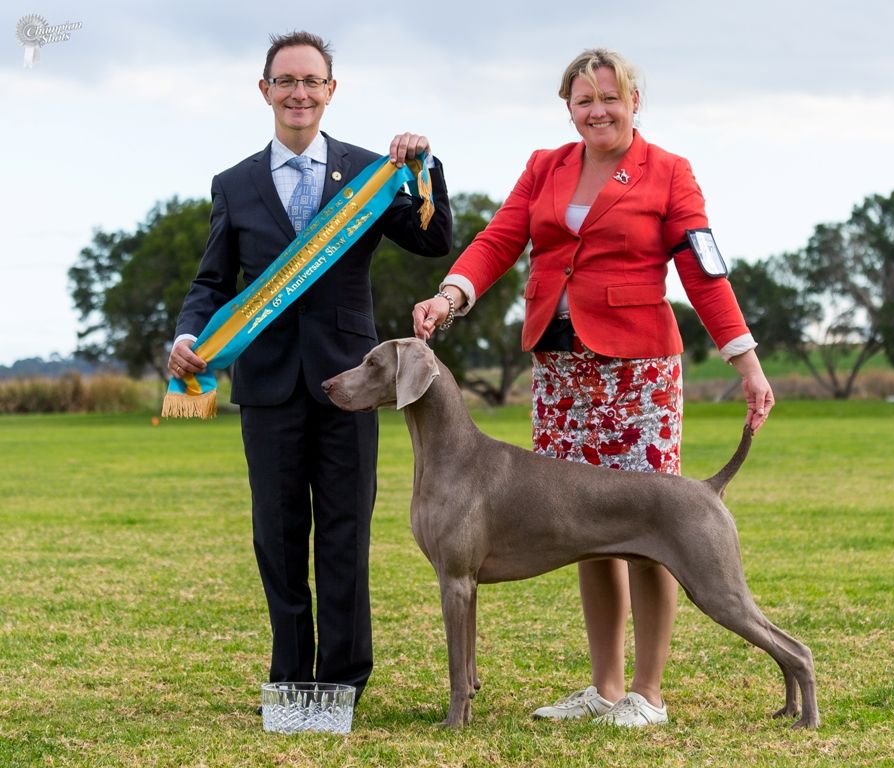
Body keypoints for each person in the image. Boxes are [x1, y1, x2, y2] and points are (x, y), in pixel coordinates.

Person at [412, 48, 773, 728]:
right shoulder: (545, 166)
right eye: (583, 100)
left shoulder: (669, 171)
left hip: (638, 373)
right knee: (583, 524)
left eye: (610, 97)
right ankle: (605, 688)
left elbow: (703, 273)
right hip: (561, 373)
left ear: (635, 101)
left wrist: (745, 361)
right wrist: (449, 296)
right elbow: (498, 240)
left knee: (652, 522)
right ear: (568, 107)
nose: (597, 110)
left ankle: (648, 694)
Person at [168, 31, 452, 703]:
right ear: (264, 90)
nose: (299, 92)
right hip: (267, 386)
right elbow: (212, 282)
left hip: (351, 382)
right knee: (278, 537)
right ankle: (291, 680)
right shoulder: (233, 184)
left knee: (346, 535)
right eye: (286, 81)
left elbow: (434, 240)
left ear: (331, 90)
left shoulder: (372, 172)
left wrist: (426, 168)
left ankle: (343, 682)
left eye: (311, 81)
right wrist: (187, 333)